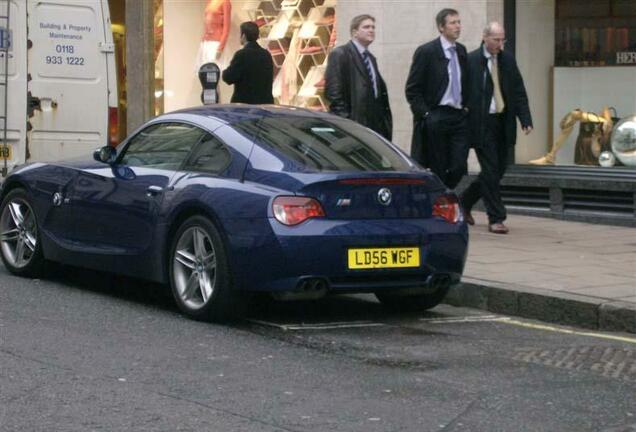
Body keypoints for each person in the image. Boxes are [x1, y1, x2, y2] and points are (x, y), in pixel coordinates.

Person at [460, 22, 533, 234]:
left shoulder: (507, 60)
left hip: (503, 121)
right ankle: (496, 217)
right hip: (481, 123)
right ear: (485, 37)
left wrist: (525, 119)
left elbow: (518, 90)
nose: (500, 45)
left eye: (503, 40)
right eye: (496, 40)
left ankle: (464, 201)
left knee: (498, 169)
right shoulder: (472, 60)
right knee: (491, 170)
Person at [405, 8, 469, 190]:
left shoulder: (461, 51)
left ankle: (444, 194)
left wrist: (467, 108)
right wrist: (426, 114)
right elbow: (412, 89)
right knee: (438, 165)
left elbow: (466, 83)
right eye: (453, 23)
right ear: (441, 27)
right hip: (436, 115)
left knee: (458, 166)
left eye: (459, 22)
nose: (458, 26)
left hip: (458, 116)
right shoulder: (427, 52)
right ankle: (440, 200)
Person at [325, 14, 392, 140]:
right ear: (354, 32)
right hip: (354, 126)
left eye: (373, 27)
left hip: (374, 126)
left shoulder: (371, 58)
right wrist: (346, 122)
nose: (371, 30)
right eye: (366, 27)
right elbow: (333, 92)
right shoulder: (340, 54)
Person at [222, 21, 274, 104]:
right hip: (265, 104)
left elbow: (229, 77)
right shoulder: (266, 54)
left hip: (245, 105)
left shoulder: (241, 54)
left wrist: (224, 72)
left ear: (243, 36)